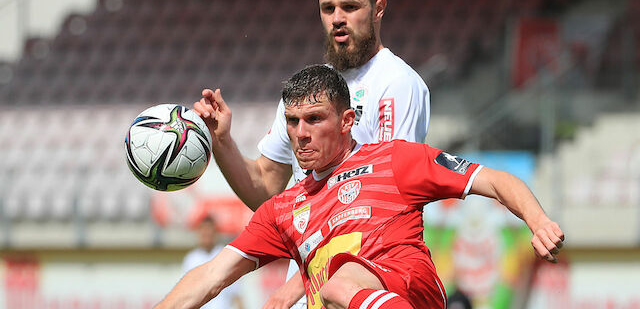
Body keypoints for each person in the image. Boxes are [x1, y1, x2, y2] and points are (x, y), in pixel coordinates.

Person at [156, 65, 565, 309]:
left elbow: (493, 179)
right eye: (293, 122)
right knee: (334, 288)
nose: (301, 134)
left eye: (315, 120)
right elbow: (211, 274)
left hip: (410, 294)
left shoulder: (395, 160)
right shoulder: (284, 210)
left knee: (337, 284)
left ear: (348, 121)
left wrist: (539, 220)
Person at [194, 0, 430, 307]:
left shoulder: (397, 83)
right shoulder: (308, 95)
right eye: (328, 8)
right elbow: (266, 190)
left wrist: (292, 290)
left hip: (365, 286)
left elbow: (385, 206)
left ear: (379, 9)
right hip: (312, 286)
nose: (337, 18)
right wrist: (222, 141)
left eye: (350, 7)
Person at [181, 215, 244, 309]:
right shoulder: (191, 259)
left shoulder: (226, 255)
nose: (206, 233)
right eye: (204, 230)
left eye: (209, 230)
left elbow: (236, 294)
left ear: (215, 232)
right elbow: (184, 294)